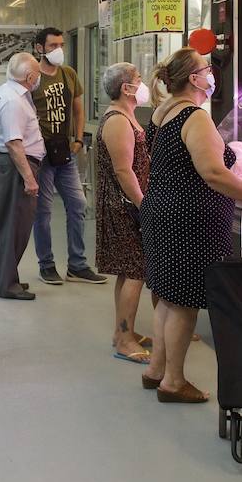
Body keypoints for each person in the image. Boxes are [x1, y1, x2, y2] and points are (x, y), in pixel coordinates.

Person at [141, 48, 242, 404]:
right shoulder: (194, 116)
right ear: (194, 78)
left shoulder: (163, 111)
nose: (212, 74)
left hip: (162, 210)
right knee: (183, 302)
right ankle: (173, 382)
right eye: (207, 69)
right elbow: (212, 173)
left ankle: (156, 369)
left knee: (166, 294)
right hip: (188, 216)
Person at [30, 27, 106, 286]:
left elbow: (78, 108)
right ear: (39, 48)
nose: (58, 49)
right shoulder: (32, 76)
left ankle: (77, 264)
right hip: (41, 153)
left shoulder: (68, 74)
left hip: (65, 153)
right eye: (52, 45)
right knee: (44, 211)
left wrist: (77, 139)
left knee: (78, 204)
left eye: (61, 44)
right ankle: (47, 264)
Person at [95, 62, 155, 363]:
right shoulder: (118, 120)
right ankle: (124, 338)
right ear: (126, 88)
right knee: (134, 270)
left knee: (128, 269)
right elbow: (123, 170)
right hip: (124, 204)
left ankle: (124, 330)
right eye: (139, 80)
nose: (142, 84)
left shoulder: (125, 115)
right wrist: (144, 205)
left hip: (125, 202)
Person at [0, 52, 44, 301]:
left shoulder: (12, 93)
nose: (39, 78)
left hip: (9, 166)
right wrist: (29, 178)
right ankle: (7, 285)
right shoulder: (13, 100)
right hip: (15, 167)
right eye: (38, 74)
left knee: (7, 225)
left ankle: (4, 279)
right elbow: (13, 143)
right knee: (14, 226)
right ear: (30, 76)